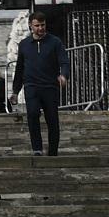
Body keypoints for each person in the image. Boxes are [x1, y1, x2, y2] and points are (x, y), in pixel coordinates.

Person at [11, 12, 71, 157]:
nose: (40, 28)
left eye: (42, 25)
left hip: (50, 86)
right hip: (31, 86)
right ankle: (37, 148)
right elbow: (19, 68)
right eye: (37, 25)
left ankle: (52, 152)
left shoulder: (55, 42)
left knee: (52, 119)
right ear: (30, 26)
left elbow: (64, 61)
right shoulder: (24, 45)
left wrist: (63, 75)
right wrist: (15, 91)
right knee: (32, 114)